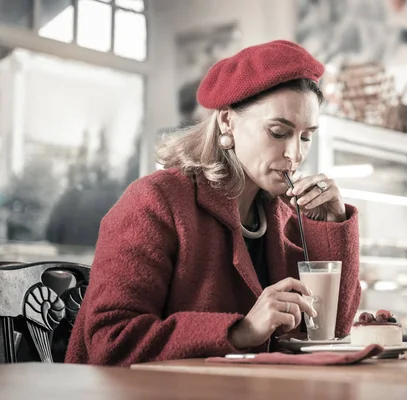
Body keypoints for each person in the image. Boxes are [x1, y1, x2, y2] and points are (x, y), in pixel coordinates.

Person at [65, 40, 362, 366]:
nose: (295, 154)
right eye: (278, 132)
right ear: (226, 122)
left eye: (306, 137)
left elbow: (330, 329)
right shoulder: (155, 201)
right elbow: (110, 341)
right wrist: (240, 331)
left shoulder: (284, 214)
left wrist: (331, 226)